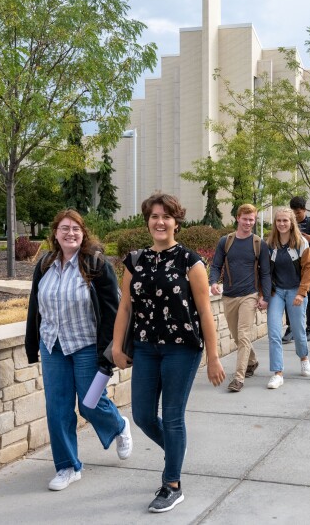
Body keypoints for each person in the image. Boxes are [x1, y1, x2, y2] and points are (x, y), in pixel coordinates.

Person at [110, 193, 225, 513]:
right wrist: (117, 347)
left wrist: (213, 357)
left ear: (176, 222)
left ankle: (171, 483)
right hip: (145, 347)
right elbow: (124, 306)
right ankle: (175, 451)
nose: (160, 222)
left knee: (173, 417)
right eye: (154, 216)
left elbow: (205, 312)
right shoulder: (134, 260)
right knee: (143, 415)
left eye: (166, 217)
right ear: (147, 221)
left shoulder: (191, 262)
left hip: (181, 349)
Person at [24, 209, 133, 493]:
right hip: (53, 346)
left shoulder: (95, 265)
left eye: (75, 228)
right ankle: (67, 466)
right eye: (64, 228)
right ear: (55, 233)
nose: (70, 233)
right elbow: (35, 307)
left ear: (83, 233)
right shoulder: (45, 264)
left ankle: (119, 426)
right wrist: (32, 344)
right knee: (57, 408)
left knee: (91, 402)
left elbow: (112, 311)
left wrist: (111, 350)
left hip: (87, 346)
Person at [209, 203, 271, 392]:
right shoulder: (225, 241)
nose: (248, 223)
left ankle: (238, 378)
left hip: (249, 295)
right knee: (237, 336)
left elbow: (266, 273)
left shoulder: (259, 243)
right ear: (238, 218)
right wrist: (213, 282)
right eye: (245, 219)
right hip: (228, 295)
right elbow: (215, 266)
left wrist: (265, 296)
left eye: (252, 219)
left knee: (243, 334)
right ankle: (252, 361)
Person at [266, 207, 310, 389]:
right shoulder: (270, 244)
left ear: (291, 222)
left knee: (298, 331)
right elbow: (263, 270)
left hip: (295, 291)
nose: (282, 224)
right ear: (275, 223)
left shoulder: (301, 243)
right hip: (276, 292)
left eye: (285, 220)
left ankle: (304, 357)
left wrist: (302, 293)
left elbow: (308, 269)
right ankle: (277, 373)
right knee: (274, 332)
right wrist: (264, 293)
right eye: (279, 221)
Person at [282, 196, 310, 344]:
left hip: (309, 266)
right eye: (293, 213)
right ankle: (291, 329)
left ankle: (309, 328)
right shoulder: (288, 224)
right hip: (290, 268)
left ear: (304, 210)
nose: (296, 216)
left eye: (298, 213)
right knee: (289, 297)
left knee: (308, 297)